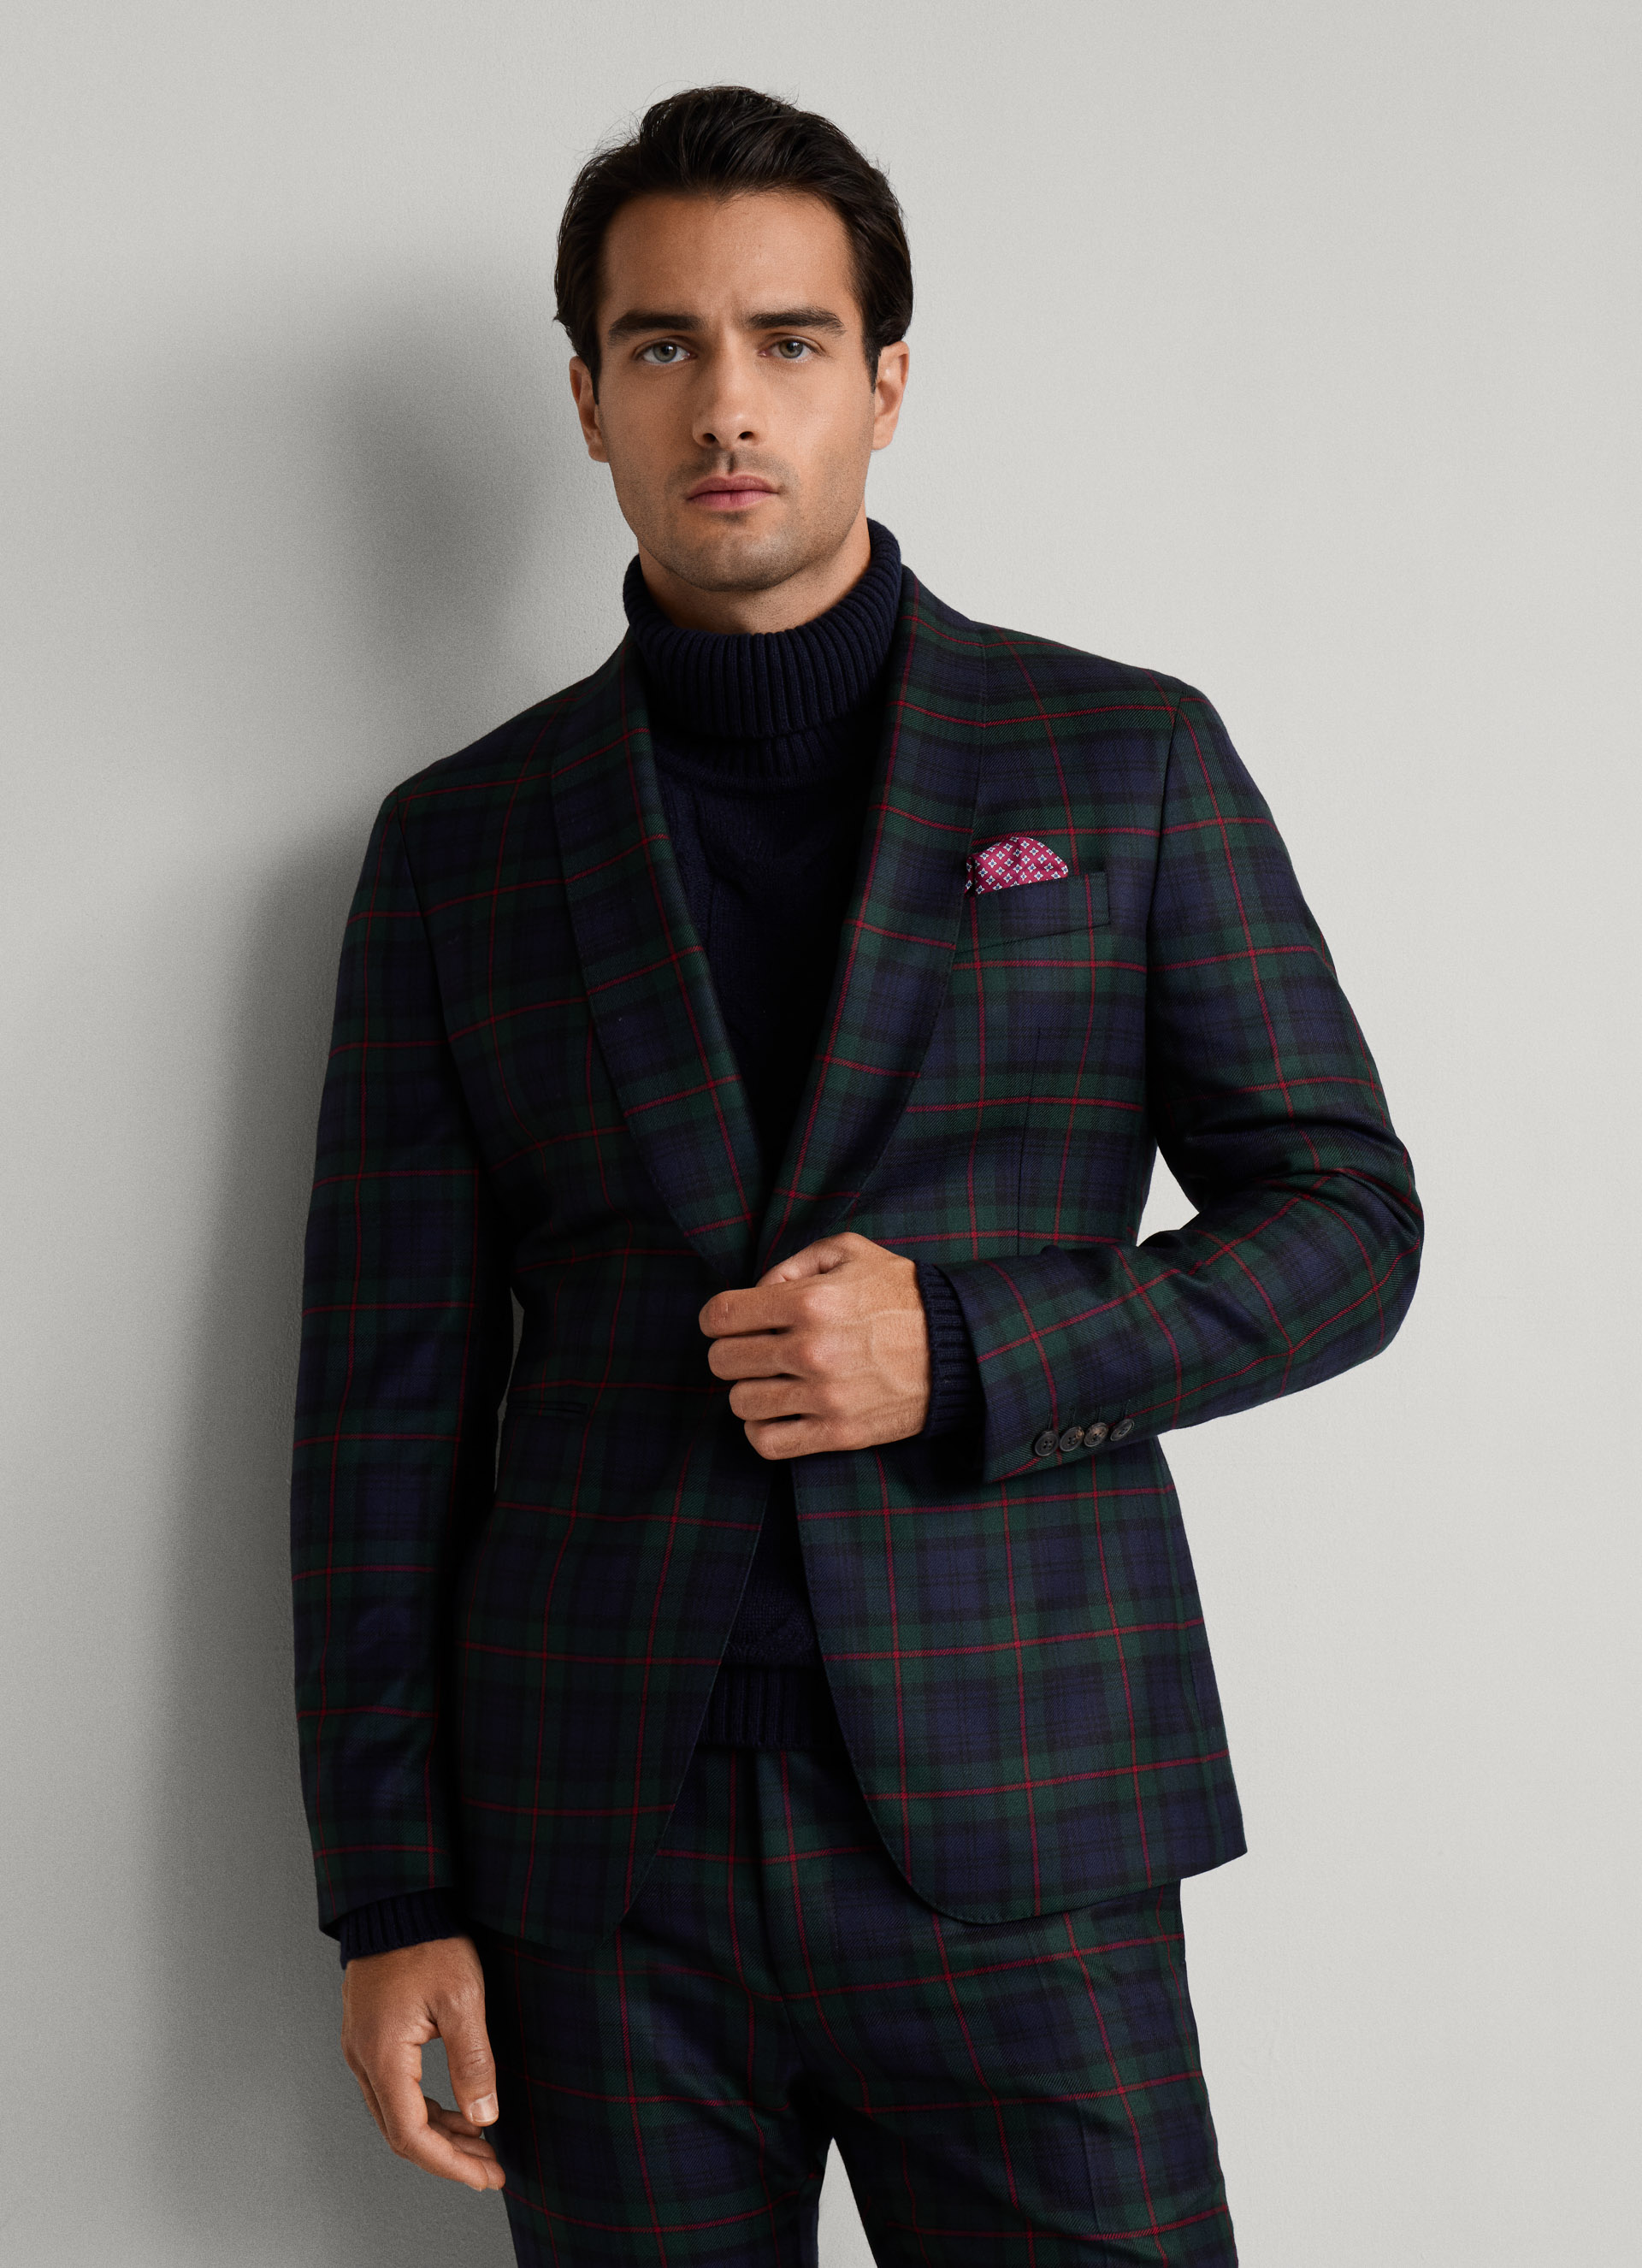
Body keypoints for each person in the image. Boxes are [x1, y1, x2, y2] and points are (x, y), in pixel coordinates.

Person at [291, 84, 1421, 2266]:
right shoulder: (461, 847)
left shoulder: (1123, 760)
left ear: (886, 383)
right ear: (589, 400)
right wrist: (392, 1890)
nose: (728, 404)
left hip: (1030, 1824)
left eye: (789, 341)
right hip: (593, 1872)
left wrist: (972, 1347)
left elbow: (1347, 1228)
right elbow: (381, 1407)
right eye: (664, 345)